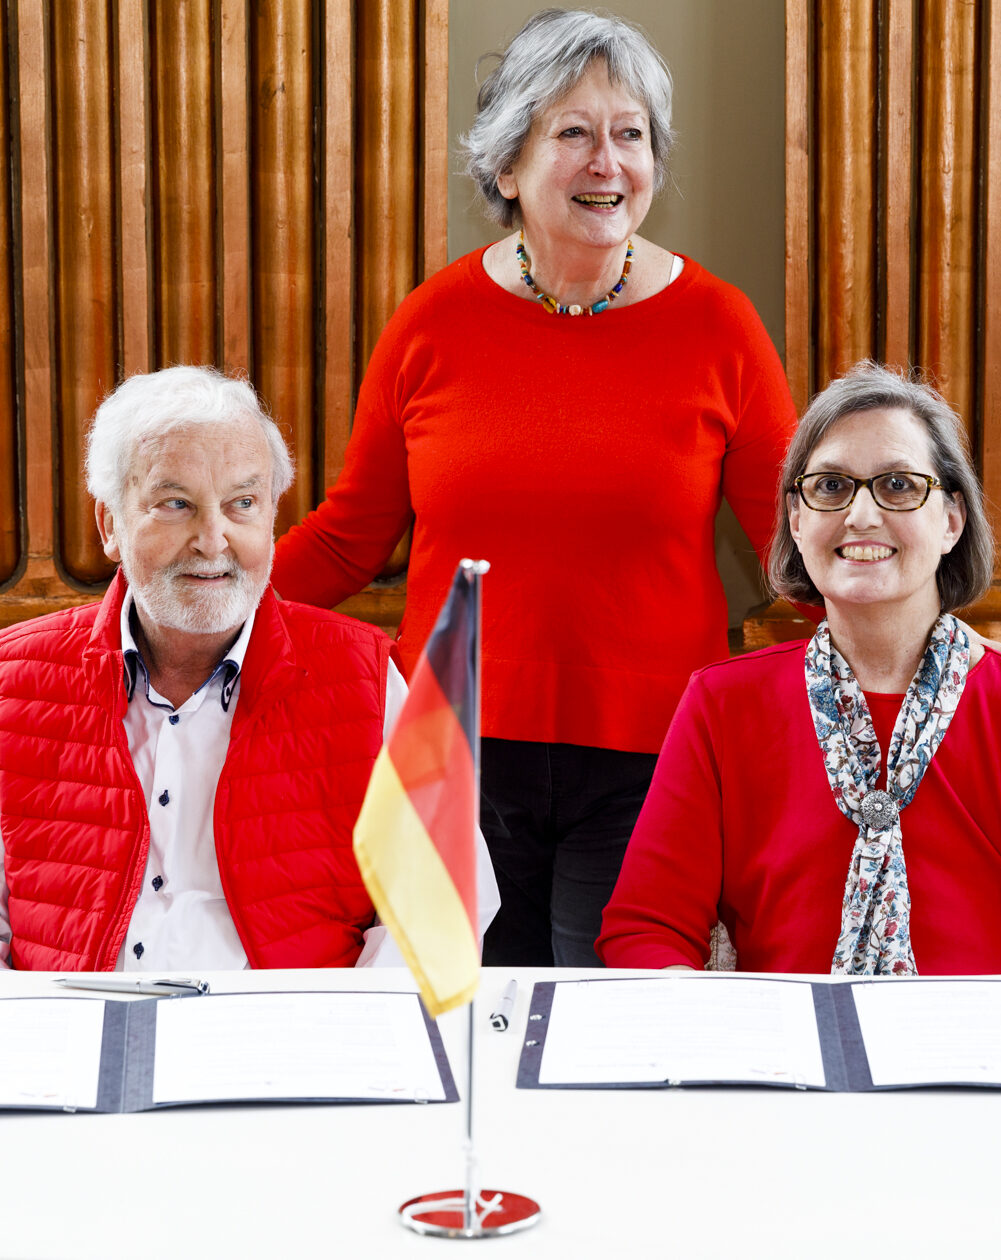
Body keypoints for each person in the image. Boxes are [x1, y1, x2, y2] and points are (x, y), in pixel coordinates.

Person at [271, 9, 796, 968]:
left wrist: (940, 656)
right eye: (574, 132)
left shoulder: (722, 327)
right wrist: (181, 616)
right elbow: (351, 540)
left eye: (630, 134)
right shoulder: (431, 323)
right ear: (507, 168)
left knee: (601, 1038)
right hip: (454, 751)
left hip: (651, 760)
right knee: (470, 1025)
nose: (609, 162)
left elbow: (799, 557)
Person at [0, 366, 496, 971]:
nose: (214, 539)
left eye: (243, 504)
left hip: (286, 1048)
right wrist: (34, 1049)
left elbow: (441, 899)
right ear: (111, 525)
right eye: (175, 503)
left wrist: (338, 1038)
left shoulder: (366, 680)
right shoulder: (12, 683)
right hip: (75, 1043)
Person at [597, 363, 1001, 975]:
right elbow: (648, 928)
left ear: (952, 520)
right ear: (796, 520)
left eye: (900, 485)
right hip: (776, 1060)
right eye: (830, 487)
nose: (861, 515)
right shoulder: (723, 704)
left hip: (983, 1064)